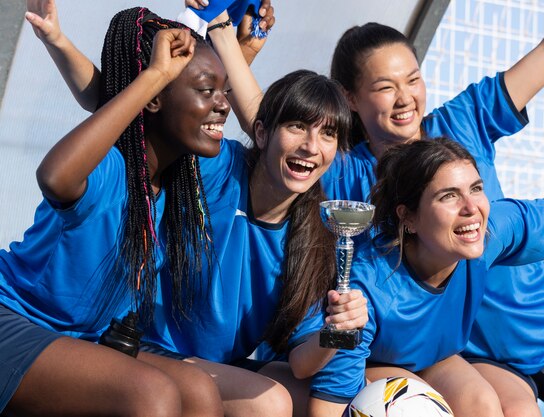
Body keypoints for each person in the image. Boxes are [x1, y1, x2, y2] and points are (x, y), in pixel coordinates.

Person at [26, 3, 368, 416]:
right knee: (270, 403)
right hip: (149, 343)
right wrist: (58, 40)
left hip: (219, 364)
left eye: (328, 134)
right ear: (260, 131)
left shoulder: (317, 235)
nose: (312, 147)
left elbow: (302, 361)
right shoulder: (213, 167)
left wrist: (336, 331)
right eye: (297, 126)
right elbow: (126, 107)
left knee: (304, 395)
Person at [0, 7, 225, 417]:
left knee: (199, 392)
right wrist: (154, 75)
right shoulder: (109, 168)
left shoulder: (181, 179)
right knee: (150, 394)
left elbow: (106, 94)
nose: (223, 105)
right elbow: (53, 175)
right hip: (16, 320)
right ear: (153, 97)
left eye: (222, 91)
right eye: (207, 91)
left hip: (84, 337)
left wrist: (230, 32)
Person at [307, 138, 544, 417]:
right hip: (372, 364)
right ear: (409, 217)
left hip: (437, 357)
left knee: (490, 407)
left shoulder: (487, 234)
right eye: (448, 196)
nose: (471, 207)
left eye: (476, 189)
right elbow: (329, 404)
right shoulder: (365, 287)